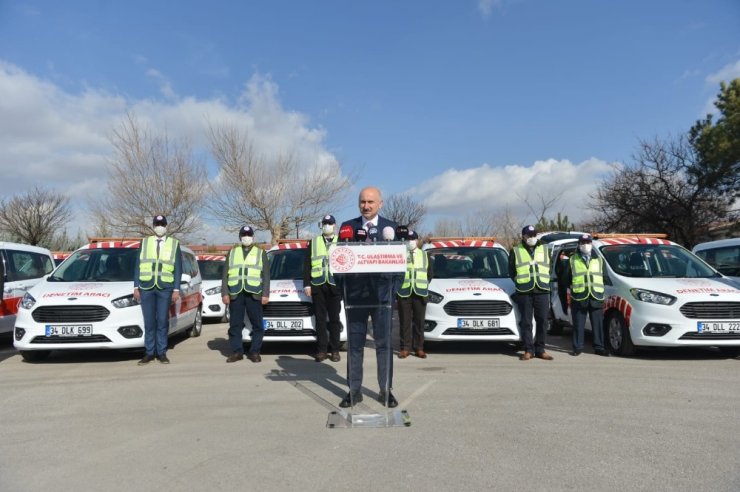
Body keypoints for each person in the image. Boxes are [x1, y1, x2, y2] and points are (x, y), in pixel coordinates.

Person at [338, 186, 400, 408]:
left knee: (384, 345)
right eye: (363, 202)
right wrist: (342, 291)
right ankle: (354, 390)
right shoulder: (347, 228)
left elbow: (402, 265)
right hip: (355, 296)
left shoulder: (391, 229)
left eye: (371, 202)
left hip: (382, 296)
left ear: (380, 204)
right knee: (355, 345)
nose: (366, 206)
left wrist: (393, 292)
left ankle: (386, 390)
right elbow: (339, 261)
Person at [133, 215, 183, 365]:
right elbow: (138, 264)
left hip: (165, 288)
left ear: (166, 226)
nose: (159, 226)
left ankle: (161, 352)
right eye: (157, 224)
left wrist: (176, 289)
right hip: (146, 287)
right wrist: (136, 286)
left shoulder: (174, 244)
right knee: (149, 322)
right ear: (153, 226)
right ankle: (149, 353)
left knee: (162, 321)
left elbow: (178, 269)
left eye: (162, 224)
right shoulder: (145, 242)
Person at [222, 226, 270, 363]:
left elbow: (266, 275)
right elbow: (225, 274)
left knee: (257, 324)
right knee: (235, 324)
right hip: (235, 293)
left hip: (254, 293)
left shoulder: (260, 252)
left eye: (249, 234)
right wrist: (224, 293)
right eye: (244, 234)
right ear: (240, 237)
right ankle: (237, 352)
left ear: (253, 237)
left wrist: (265, 293)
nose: (246, 237)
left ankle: (255, 351)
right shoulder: (232, 252)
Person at [509, 225, 554, 361]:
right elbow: (511, 270)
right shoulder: (516, 250)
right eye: (529, 235)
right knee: (527, 322)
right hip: (524, 290)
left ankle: (540, 349)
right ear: (523, 236)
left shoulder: (545, 248)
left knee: (542, 321)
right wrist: (519, 281)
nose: (532, 238)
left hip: (542, 289)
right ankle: (529, 350)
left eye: (534, 235)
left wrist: (545, 279)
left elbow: (549, 267)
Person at [303, 214, 342, 363]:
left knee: (334, 320)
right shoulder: (314, 242)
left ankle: (335, 350)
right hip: (318, 285)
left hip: (334, 286)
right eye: (325, 223)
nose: (327, 225)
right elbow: (307, 264)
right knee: (320, 320)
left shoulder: (341, 242)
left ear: (334, 225)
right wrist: (307, 284)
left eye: (330, 223)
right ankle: (322, 350)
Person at [562, 234, 608, 356]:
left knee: (597, 324)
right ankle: (577, 347)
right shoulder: (572, 260)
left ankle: (599, 347)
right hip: (579, 296)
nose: (585, 245)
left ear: (591, 244)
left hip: (595, 296)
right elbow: (566, 279)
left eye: (587, 242)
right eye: (583, 243)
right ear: (579, 244)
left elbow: (604, 277)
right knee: (578, 324)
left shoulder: (599, 259)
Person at [397, 229, 433, 359]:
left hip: (420, 292)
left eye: (412, 239)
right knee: (404, 322)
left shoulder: (425, 255)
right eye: (408, 239)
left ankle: (419, 348)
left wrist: (422, 285)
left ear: (417, 241)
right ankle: (404, 348)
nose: (410, 242)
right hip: (404, 292)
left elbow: (430, 274)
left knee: (419, 322)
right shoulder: (400, 255)